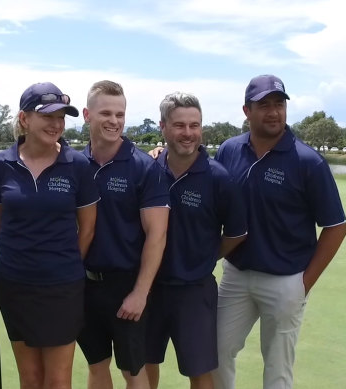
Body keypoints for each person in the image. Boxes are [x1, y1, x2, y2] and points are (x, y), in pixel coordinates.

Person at [211, 75, 346, 389]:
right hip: (236, 275)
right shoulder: (230, 150)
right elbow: (210, 198)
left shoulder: (308, 161)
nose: (273, 112)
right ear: (247, 110)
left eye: (279, 104)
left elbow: (336, 226)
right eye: (264, 105)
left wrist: (304, 283)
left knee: (278, 369)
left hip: (286, 281)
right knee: (215, 353)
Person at [0, 82, 98, 389]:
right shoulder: (0, 166)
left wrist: (64, 263)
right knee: (30, 377)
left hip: (62, 286)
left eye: (61, 117)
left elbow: (86, 228)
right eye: (47, 116)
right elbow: (0, 226)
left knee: (58, 380)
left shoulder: (77, 165)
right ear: (24, 119)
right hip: (14, 283)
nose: (56, 124)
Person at [144, 92, 247, 389]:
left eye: (194, 125)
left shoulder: (219, 178)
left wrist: (206, 256)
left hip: (194, 291)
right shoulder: (148, 170)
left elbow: (237, 233)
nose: (188, 133)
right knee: (143, 363)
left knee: (200, 371)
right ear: (163, 127)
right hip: (148, 287)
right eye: (179, 125)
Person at [77, 80, 170, 389]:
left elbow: (157, 235)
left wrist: (140, 293)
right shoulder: (74, 164)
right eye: (106, 113)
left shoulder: (143, 167)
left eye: (120, 114)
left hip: (126, 285)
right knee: (96, 366)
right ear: (87, 115)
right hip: (83, 284)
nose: (114, 121)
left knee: (133, 371)